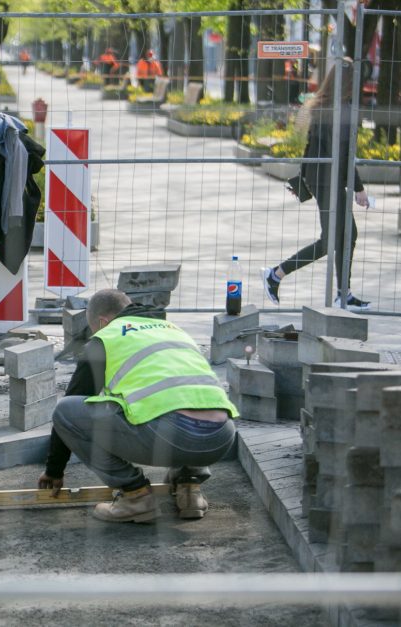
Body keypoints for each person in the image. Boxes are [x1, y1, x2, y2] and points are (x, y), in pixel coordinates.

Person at [37, 289, 238, 523]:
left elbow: (71, 411)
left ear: (102, 322)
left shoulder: (107, 337)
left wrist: (54, 470)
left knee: (66, 411)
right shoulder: (174, 330)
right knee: (180, 399)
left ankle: (135, 496)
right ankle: (189, 489)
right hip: (221, 437)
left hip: (171, 436)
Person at [261, 58, 371, 312]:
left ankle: (344, 294)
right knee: (330, 241)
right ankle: (275, 274)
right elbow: (343, 154)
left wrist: (304, 177)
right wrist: (359, 188)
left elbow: (314, 148)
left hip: (325, 179)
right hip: (326, 181)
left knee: (347, 234)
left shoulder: (326, 106)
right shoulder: (337, 111)